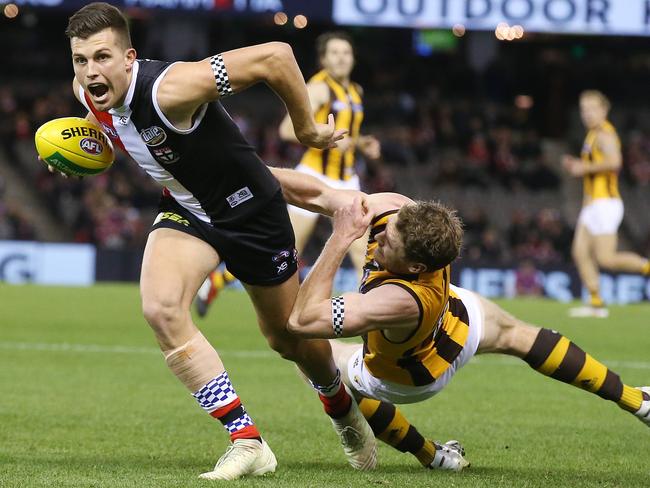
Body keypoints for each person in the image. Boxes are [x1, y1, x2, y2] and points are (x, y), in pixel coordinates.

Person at [59, 3, 377, 480]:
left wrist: (308, 128)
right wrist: (76, 152)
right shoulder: (88, 92)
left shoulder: (172, 89)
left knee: (290, 340)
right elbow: (111, 135)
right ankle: (247, 440)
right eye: (80, 60)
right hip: (189, 208)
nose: (89, 71)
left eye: (101, 57)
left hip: (253, 215)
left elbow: (275, 55)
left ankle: (340, 407)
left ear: (129, 57)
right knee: (161, 308)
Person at [282, 183, 649, 467]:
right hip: (458, 321)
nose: (376, 238)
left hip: (408, 377)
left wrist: (340, 237)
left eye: (388, 241)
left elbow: (301, 320)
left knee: (312, 356)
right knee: (520, 335)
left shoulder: (398, 297)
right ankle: (638, 401)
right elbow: (319, 192)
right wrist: (249, 171)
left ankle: (430, 455)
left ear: (414, 268)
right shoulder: (402, 215)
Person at [195, 31, 381, 317]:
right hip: (314, 176)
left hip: (346, 178)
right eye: (334, 53)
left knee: (363, 251)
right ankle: (219, 279)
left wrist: (361, 143)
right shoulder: (318, 88)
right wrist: (324, 136)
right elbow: (286, 130)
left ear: (354, 58)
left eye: (346, 53)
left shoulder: (356, 91)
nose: (341, 58)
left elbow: (345, 137)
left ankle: (372, 320)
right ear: (323, 59)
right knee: (282, 249)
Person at [562, 90, 650, 318]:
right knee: (580, 253)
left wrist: (583, 168)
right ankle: (596, 303)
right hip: (593, 206)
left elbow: (615, 162)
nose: (587, 114)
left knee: (606, 259)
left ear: (604, 109)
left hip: (605, 204)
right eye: (583, 109)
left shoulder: (605, 134)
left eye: (592, 108)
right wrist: (578, 166)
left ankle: (647, 267)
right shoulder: (592, 134)